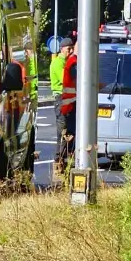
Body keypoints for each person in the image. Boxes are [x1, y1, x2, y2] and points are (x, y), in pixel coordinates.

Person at [55, 39, 79, 178]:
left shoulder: (67, 62)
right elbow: (66, 81)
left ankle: (64, 163)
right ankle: (59, 164)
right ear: (62, 49)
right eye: (68, 49)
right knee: (63, 134)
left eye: (71, 48)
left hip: (67, 101)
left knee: (68, 134)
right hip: (62, 101)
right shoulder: (60, 63)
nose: (70, 51)